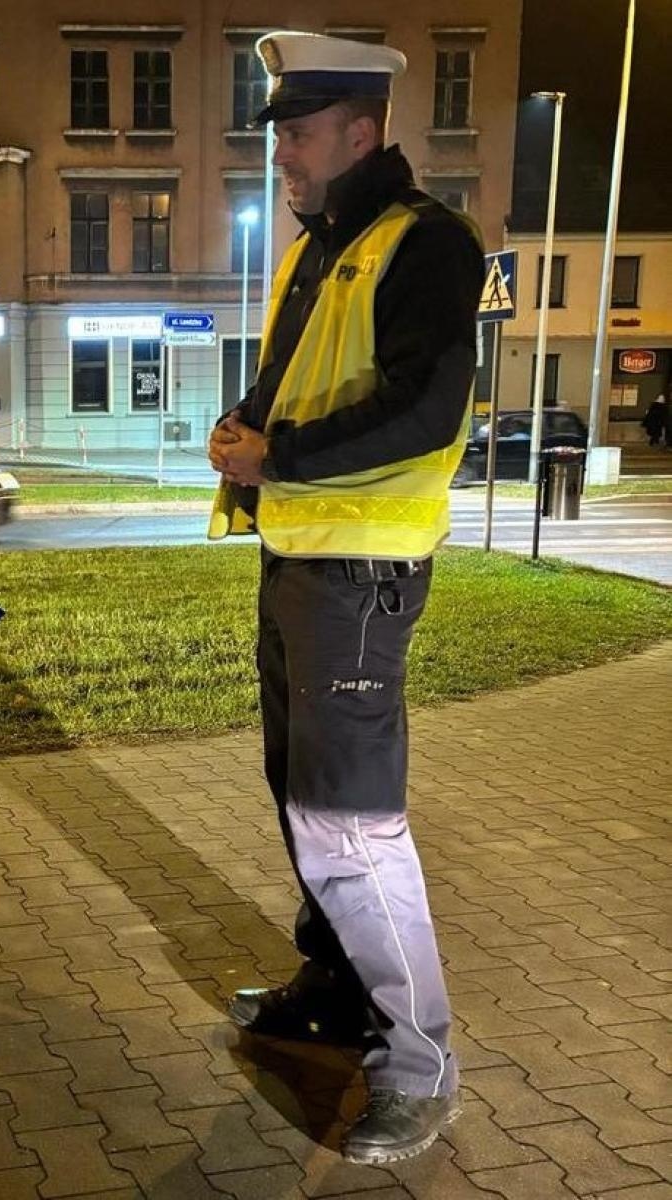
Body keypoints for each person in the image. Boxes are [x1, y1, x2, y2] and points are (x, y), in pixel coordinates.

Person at [207, 31, 484, 1165]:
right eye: (280, 137)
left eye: (299, 136)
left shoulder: (422, 242)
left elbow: (423, 412)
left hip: (359, 577)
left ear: (359, 132)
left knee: (349, 825)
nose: (283, 158)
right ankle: (329, 992)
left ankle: (419, 1065)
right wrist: (242, 428)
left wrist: (278, 455)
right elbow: (293, 383)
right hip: (299, 562)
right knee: (298, 795)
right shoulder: (324, 247)